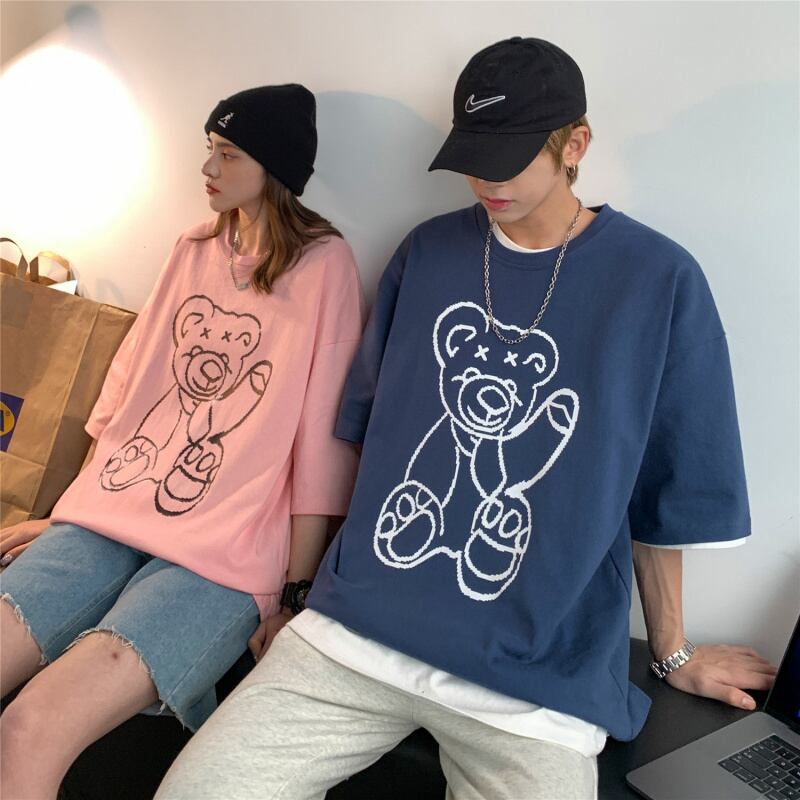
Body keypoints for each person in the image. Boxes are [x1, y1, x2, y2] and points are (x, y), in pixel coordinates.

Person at [155, 39, 776, 800]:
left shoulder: (657, 281)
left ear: (575, 144)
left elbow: (664, 492)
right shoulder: (428, 253)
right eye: (473, 157)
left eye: (509, 158)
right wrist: (302, 590)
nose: (487, 180)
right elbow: (365, 441)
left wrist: (672, 651)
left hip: (534, 681)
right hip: (359, 635)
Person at [0, 83, 365, 800]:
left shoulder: (326, 268)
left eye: (228, 154)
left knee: (29, 727)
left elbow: (321, 442)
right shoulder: (193, 247)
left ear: (275, 168)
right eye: (209, 150)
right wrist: (71, 511)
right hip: (110, 516)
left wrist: (292, 594)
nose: (208, 168)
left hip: (224, 555)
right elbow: (130, 385)